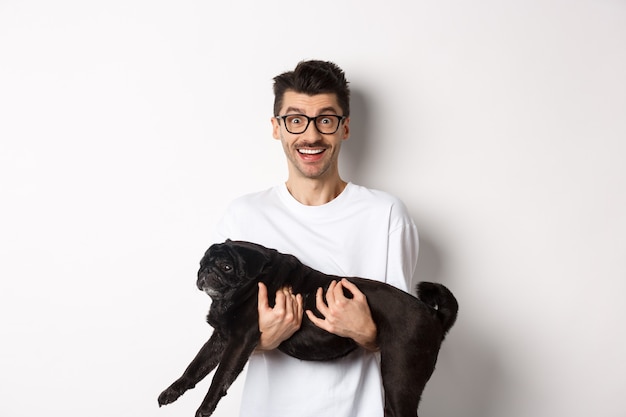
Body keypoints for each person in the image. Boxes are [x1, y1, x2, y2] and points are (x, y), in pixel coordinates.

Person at [211, 60, 419, 417]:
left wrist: (368, 333)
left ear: (345, 128)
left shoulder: (385, 215)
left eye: (325, 120)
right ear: (277, 128)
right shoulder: (243, 217)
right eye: (295, 120)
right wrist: (262, 340)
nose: (310, 136)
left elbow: (408, 337)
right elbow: (220, 332)